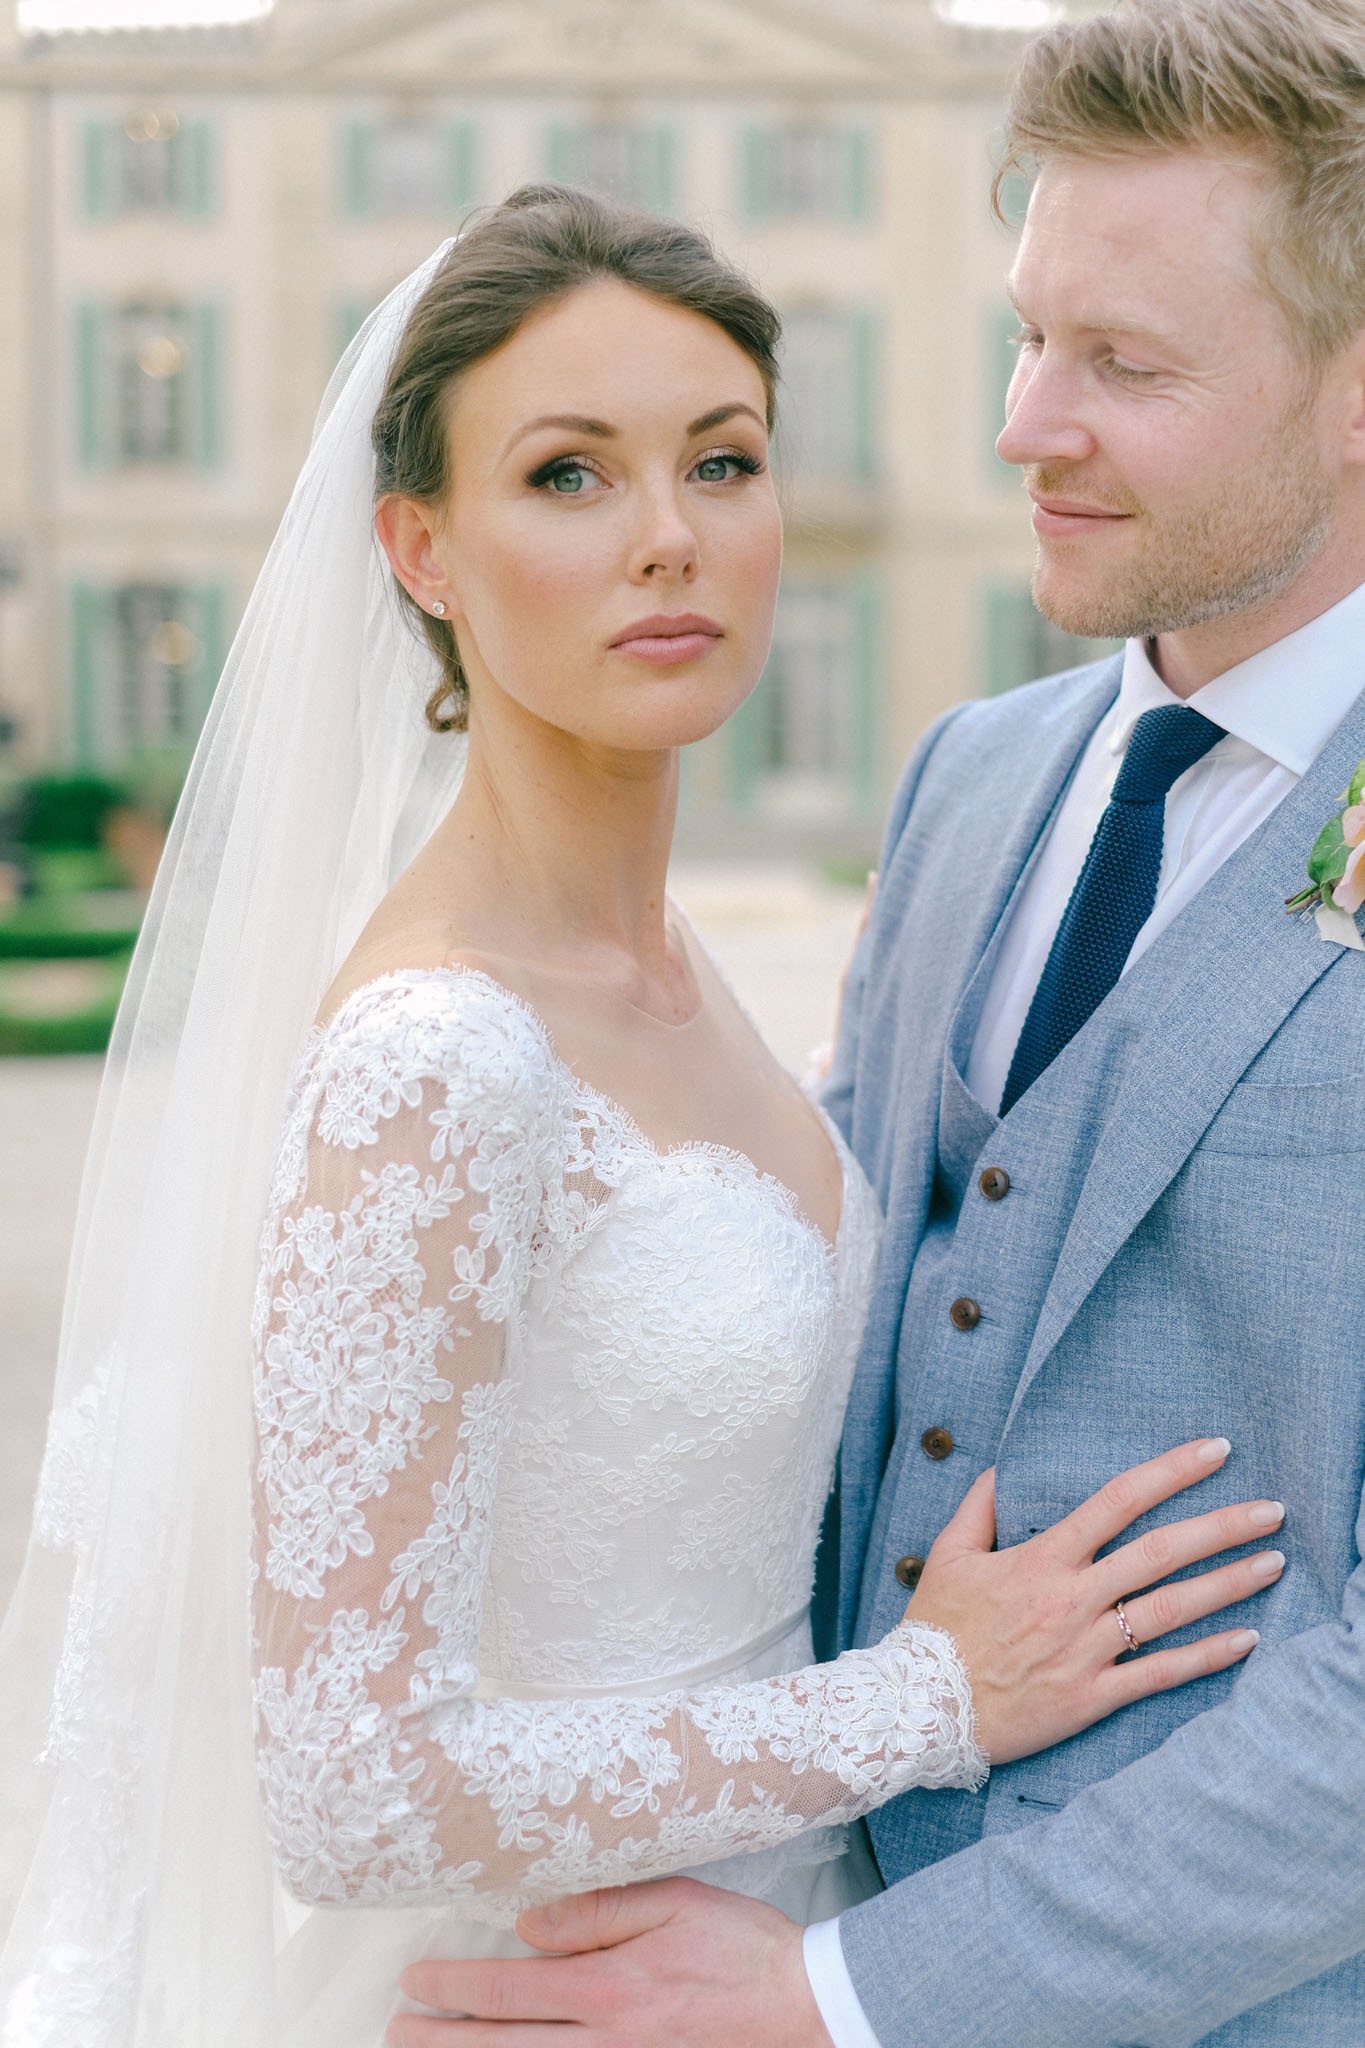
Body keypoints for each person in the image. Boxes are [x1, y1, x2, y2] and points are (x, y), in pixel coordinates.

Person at [0, 188, 1276, 2045]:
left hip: (781, 1968)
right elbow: (349, 1786)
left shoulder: (676, 973)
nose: (670, 539)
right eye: (569, 478)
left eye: (723, 460)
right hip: (545, 1999)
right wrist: (927, 1703)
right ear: (420, 549)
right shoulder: (435, 1055)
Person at [388, 5, 1365, 2045]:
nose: (1021, 423)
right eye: (1026, 334)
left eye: (1122, 366)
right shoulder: (972, 779)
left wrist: (850, 1993)